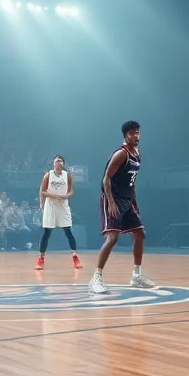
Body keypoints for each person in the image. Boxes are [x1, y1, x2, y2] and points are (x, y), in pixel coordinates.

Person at [90, 121, 155, 294]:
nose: (136, 135)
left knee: (140, 233)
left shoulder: (137, 154)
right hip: (113, 198)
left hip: (127, 200)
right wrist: (111, 202)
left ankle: (136, 276)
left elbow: (131, 182)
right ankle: (96, 278)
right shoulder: (121, 154)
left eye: (138, 132)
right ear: (125, 136)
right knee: (112, 238)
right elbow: (106, 179)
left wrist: (134, 202)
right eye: (132, 133)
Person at [35, 156, 81, 270]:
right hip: (50, 205)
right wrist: (42, 203)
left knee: (68, 230)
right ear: (53, 164)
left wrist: (66, 196)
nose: (58, 162)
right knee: (47, 232)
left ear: (63, 164)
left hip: (63, 205)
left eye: (60, 161)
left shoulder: (67, 175)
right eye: (56, 161)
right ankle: (41, 258)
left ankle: (75, 256)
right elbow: (42, 191)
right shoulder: (48, 175)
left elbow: (71, 190)